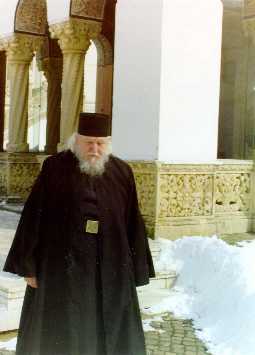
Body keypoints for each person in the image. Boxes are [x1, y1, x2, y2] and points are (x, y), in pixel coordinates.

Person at [3, 112, 155, 355]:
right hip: (62, 269)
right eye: (88, 143)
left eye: (100, 143)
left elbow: (132, 222)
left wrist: (136, 271)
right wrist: (28, 267)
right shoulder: (54, 167)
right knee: (65, 327)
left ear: (107, 144)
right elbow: (34, 216)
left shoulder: (122, 172)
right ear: (77, 141)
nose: (94, 149)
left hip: (109, 268)